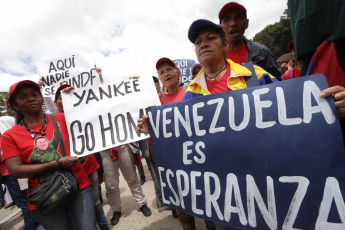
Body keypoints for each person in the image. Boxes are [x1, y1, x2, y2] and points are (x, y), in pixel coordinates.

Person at [138, 19, 277, 230]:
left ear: (224, 45)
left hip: (263, 181)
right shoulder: (192, 92)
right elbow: (183, 138)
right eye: (198, 41)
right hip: (223, 193)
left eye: (210, 38)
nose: (203, 44)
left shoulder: (254, 75)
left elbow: (292, 112)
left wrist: (332, 104)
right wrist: (157, 131)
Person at [1, 80, 97, 230]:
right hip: (46, 195)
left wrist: (75, 96)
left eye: (34, 94)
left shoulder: (63, 119)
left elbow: (93, 115)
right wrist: (56, 164)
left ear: (41, 98)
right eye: (23, 96)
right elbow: (15, 170)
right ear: (15, 104)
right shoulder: (9, 136)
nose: (30, 98)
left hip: (78, 186)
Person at [54, 84, 109, 230]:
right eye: (61, 98)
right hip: (67, 173)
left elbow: (98, 105)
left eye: (69, 98)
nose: (65, 101)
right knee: (79, 207)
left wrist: (77, 94)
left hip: (89, 167)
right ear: (55, 103)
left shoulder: (82, 114)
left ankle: (104, 226)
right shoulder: (51, 122)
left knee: (96, 202)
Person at [218, 2, 281, 80]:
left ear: (246, 23)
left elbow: (277, 84)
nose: (233, 23)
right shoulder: (213, 57)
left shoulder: (262, 52)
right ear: (221, 28)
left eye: (238, 18)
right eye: (227, 19)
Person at [0, 116, 37, 230]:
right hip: (11, 173)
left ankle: (30, 226)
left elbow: (4, 156)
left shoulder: (6, 137)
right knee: (26, 200)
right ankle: (34, 221)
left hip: (11, 174)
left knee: (23, 202)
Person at [100, 145, 152, 226]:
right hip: (105, 150)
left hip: (122, 146)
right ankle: (116, 210)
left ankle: (142, 203)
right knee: (111, 185)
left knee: (132, 178)